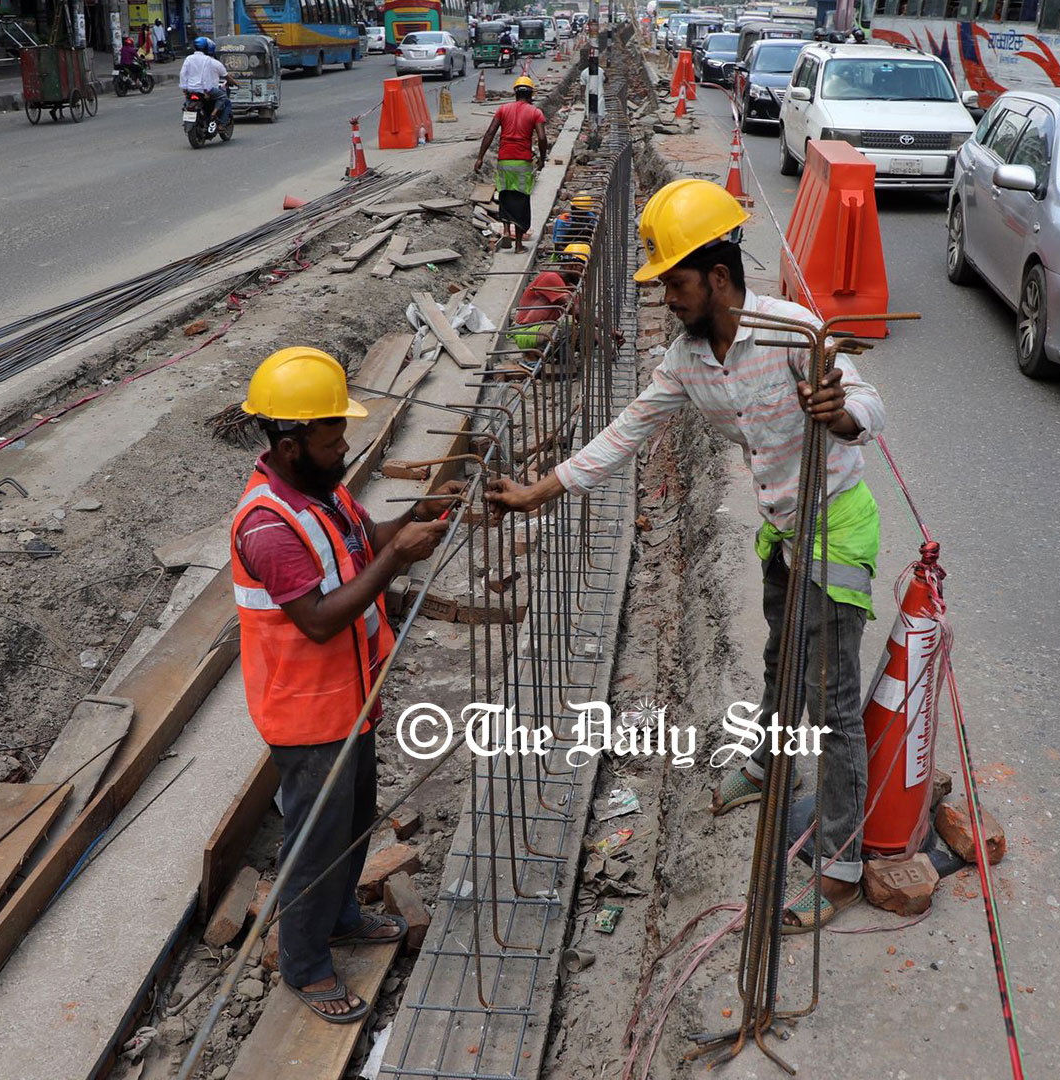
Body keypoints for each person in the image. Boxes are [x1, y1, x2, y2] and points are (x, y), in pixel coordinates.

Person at [485, 179, 886, 933]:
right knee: (779, 663)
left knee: (833, 706)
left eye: (675, 281)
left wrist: (844, 415)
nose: (666, 296)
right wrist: (542, 491)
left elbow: (866, 404)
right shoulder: (687, 360)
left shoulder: (793, 331)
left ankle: (839, 866)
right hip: (782, 530)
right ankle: (769, 766)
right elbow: (626, 432)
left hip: (836, 529)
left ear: (720, 278)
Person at [230, 347, 451, 1024]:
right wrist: (395, 559)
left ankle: (343, 914)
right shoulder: (268, 526)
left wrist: (420, 517)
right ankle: (303, 963)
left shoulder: (322, 493)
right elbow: (321, 620)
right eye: (332, 441)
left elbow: (364, 539)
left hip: (352, 702)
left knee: (354, 824)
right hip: (307, 718)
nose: (344, 449)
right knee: (314, 842)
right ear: (291, 444)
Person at [474, 76, 551, 251]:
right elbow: (542, 137)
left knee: (505, 196)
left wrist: (480, 157)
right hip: (522, 163)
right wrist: (542, 158)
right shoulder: (535, 112)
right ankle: (518, 245)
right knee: (521, 201)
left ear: (515, 92)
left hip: (504, 160)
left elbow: (490, 133)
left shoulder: (503, 109)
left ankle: (506, 232)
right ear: (531, 93)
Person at [179, 37, 233, 124]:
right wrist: (205, 91)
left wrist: (184, 88)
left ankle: (186, 119)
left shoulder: (189, 58)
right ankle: (213, 114)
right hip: (203, 90)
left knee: (187, 103)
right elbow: (205, 76)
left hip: (190, 89)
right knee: (223, 96)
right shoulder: (207, 59)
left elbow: (183, 74)